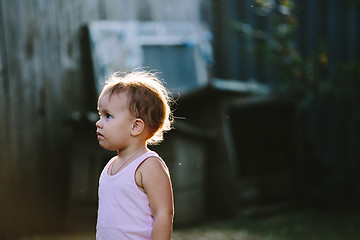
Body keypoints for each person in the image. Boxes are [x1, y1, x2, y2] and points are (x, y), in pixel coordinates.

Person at [95, 70, 174, 240]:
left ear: (136, 127)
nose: (98, 123)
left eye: (108, 116)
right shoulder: (111, 165)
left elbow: (163, 213)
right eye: (100, 115)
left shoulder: (148, 165)